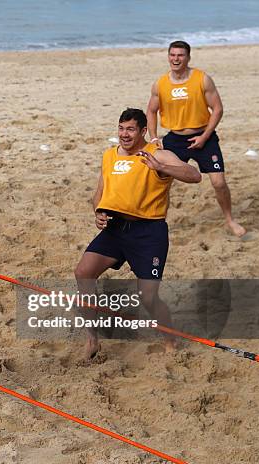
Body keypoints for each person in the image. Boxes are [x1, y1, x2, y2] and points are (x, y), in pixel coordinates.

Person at [74, 108, 201, 361]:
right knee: (83, 272)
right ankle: (92, 338)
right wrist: (98, 211)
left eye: (130, 129)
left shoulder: (158, 154)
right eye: (121, 128)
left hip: (148, 232)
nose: (124, 134)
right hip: (115, 229)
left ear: (143, 131)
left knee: (149, 296)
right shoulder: (110, 155)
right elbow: (100, 191)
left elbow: (194, 175)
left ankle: (169, 341)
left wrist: (162, 166)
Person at [147, 41, 246, 237]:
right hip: (175, 139)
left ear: (188, 58)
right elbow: (151, 111)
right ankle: (158, 224)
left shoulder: (202, 79)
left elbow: (217, 109)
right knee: (162, 181)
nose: (176, 59)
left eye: (180, 55)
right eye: (172, 55)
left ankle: (229, 219)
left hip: (204, 137)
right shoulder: (160, 84)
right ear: (168, 57)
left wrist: (204, 136)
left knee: (218, 183)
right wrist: (153, 137)